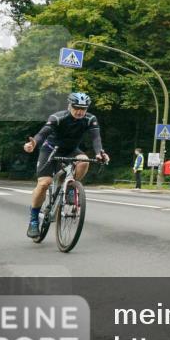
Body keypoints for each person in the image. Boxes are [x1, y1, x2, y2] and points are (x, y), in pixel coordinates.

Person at [22, 92, 110, 238]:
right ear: (70, 106)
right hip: (50, 149)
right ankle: (33, 220)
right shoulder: (58, 117)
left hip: (71, 150)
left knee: (83, 160)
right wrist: (33, 144)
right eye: (76, 107)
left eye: (83, 108)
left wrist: (100, 153)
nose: (80, 111)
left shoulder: (90, 119)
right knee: (44, 183)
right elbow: (42, 133)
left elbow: (96, 138)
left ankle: (70, 188)